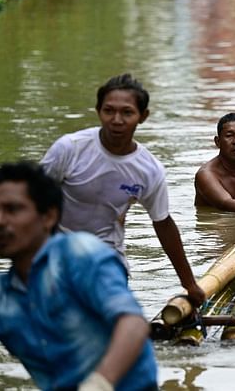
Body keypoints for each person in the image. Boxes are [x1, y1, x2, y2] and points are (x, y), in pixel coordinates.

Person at [0, 162, 158, 391]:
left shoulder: (78, 255)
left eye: (12, 209)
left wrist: (99, 384)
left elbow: (133, 324)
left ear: (48, 217)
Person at [40, 73, 205, 307]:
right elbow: (31, 198)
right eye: (109, 111)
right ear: (98, 111)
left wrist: (189, 284)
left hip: (107, 257)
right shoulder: (70, 149)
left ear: (142, 116)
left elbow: (163, 223)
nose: (117, 120)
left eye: (127, 113)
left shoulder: (149, 170)